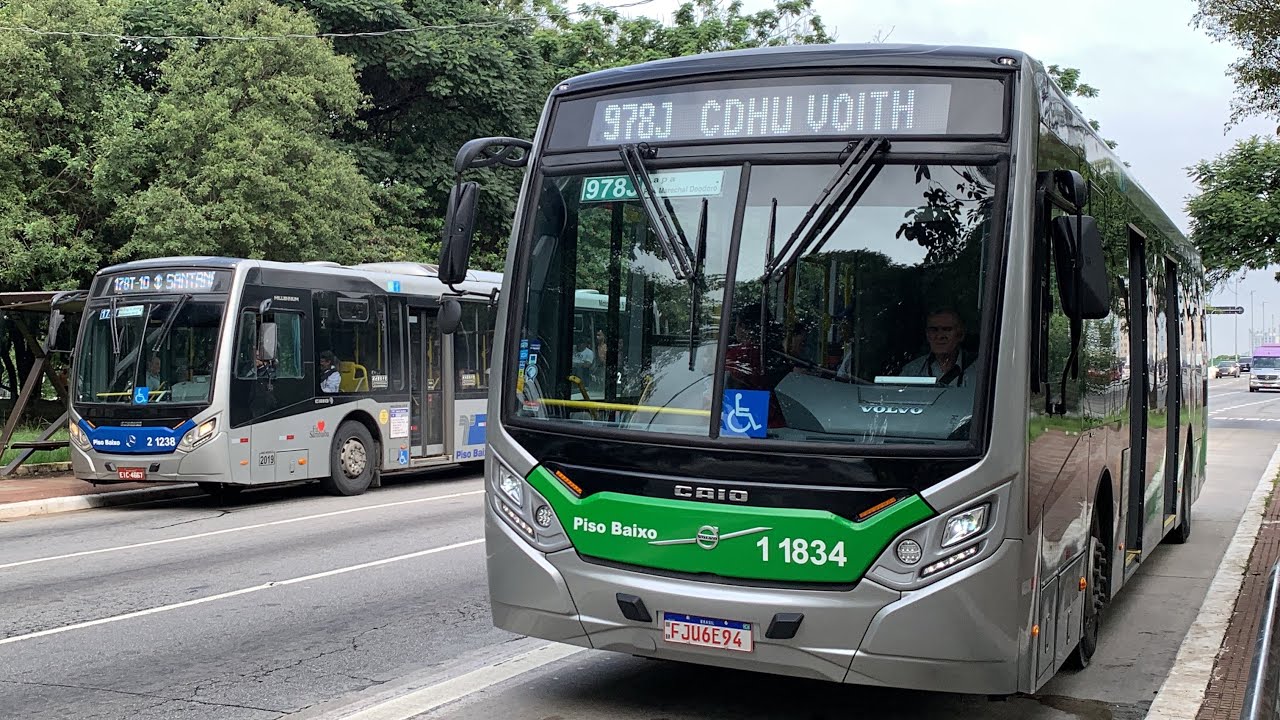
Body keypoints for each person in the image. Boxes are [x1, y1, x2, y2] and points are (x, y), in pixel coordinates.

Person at [898, 307, 977, 387]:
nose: (939, 336)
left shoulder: (980, 370)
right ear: (927, 335)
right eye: (934, 330)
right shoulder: (912, 371)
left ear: (960, 335)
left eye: (947, 329)